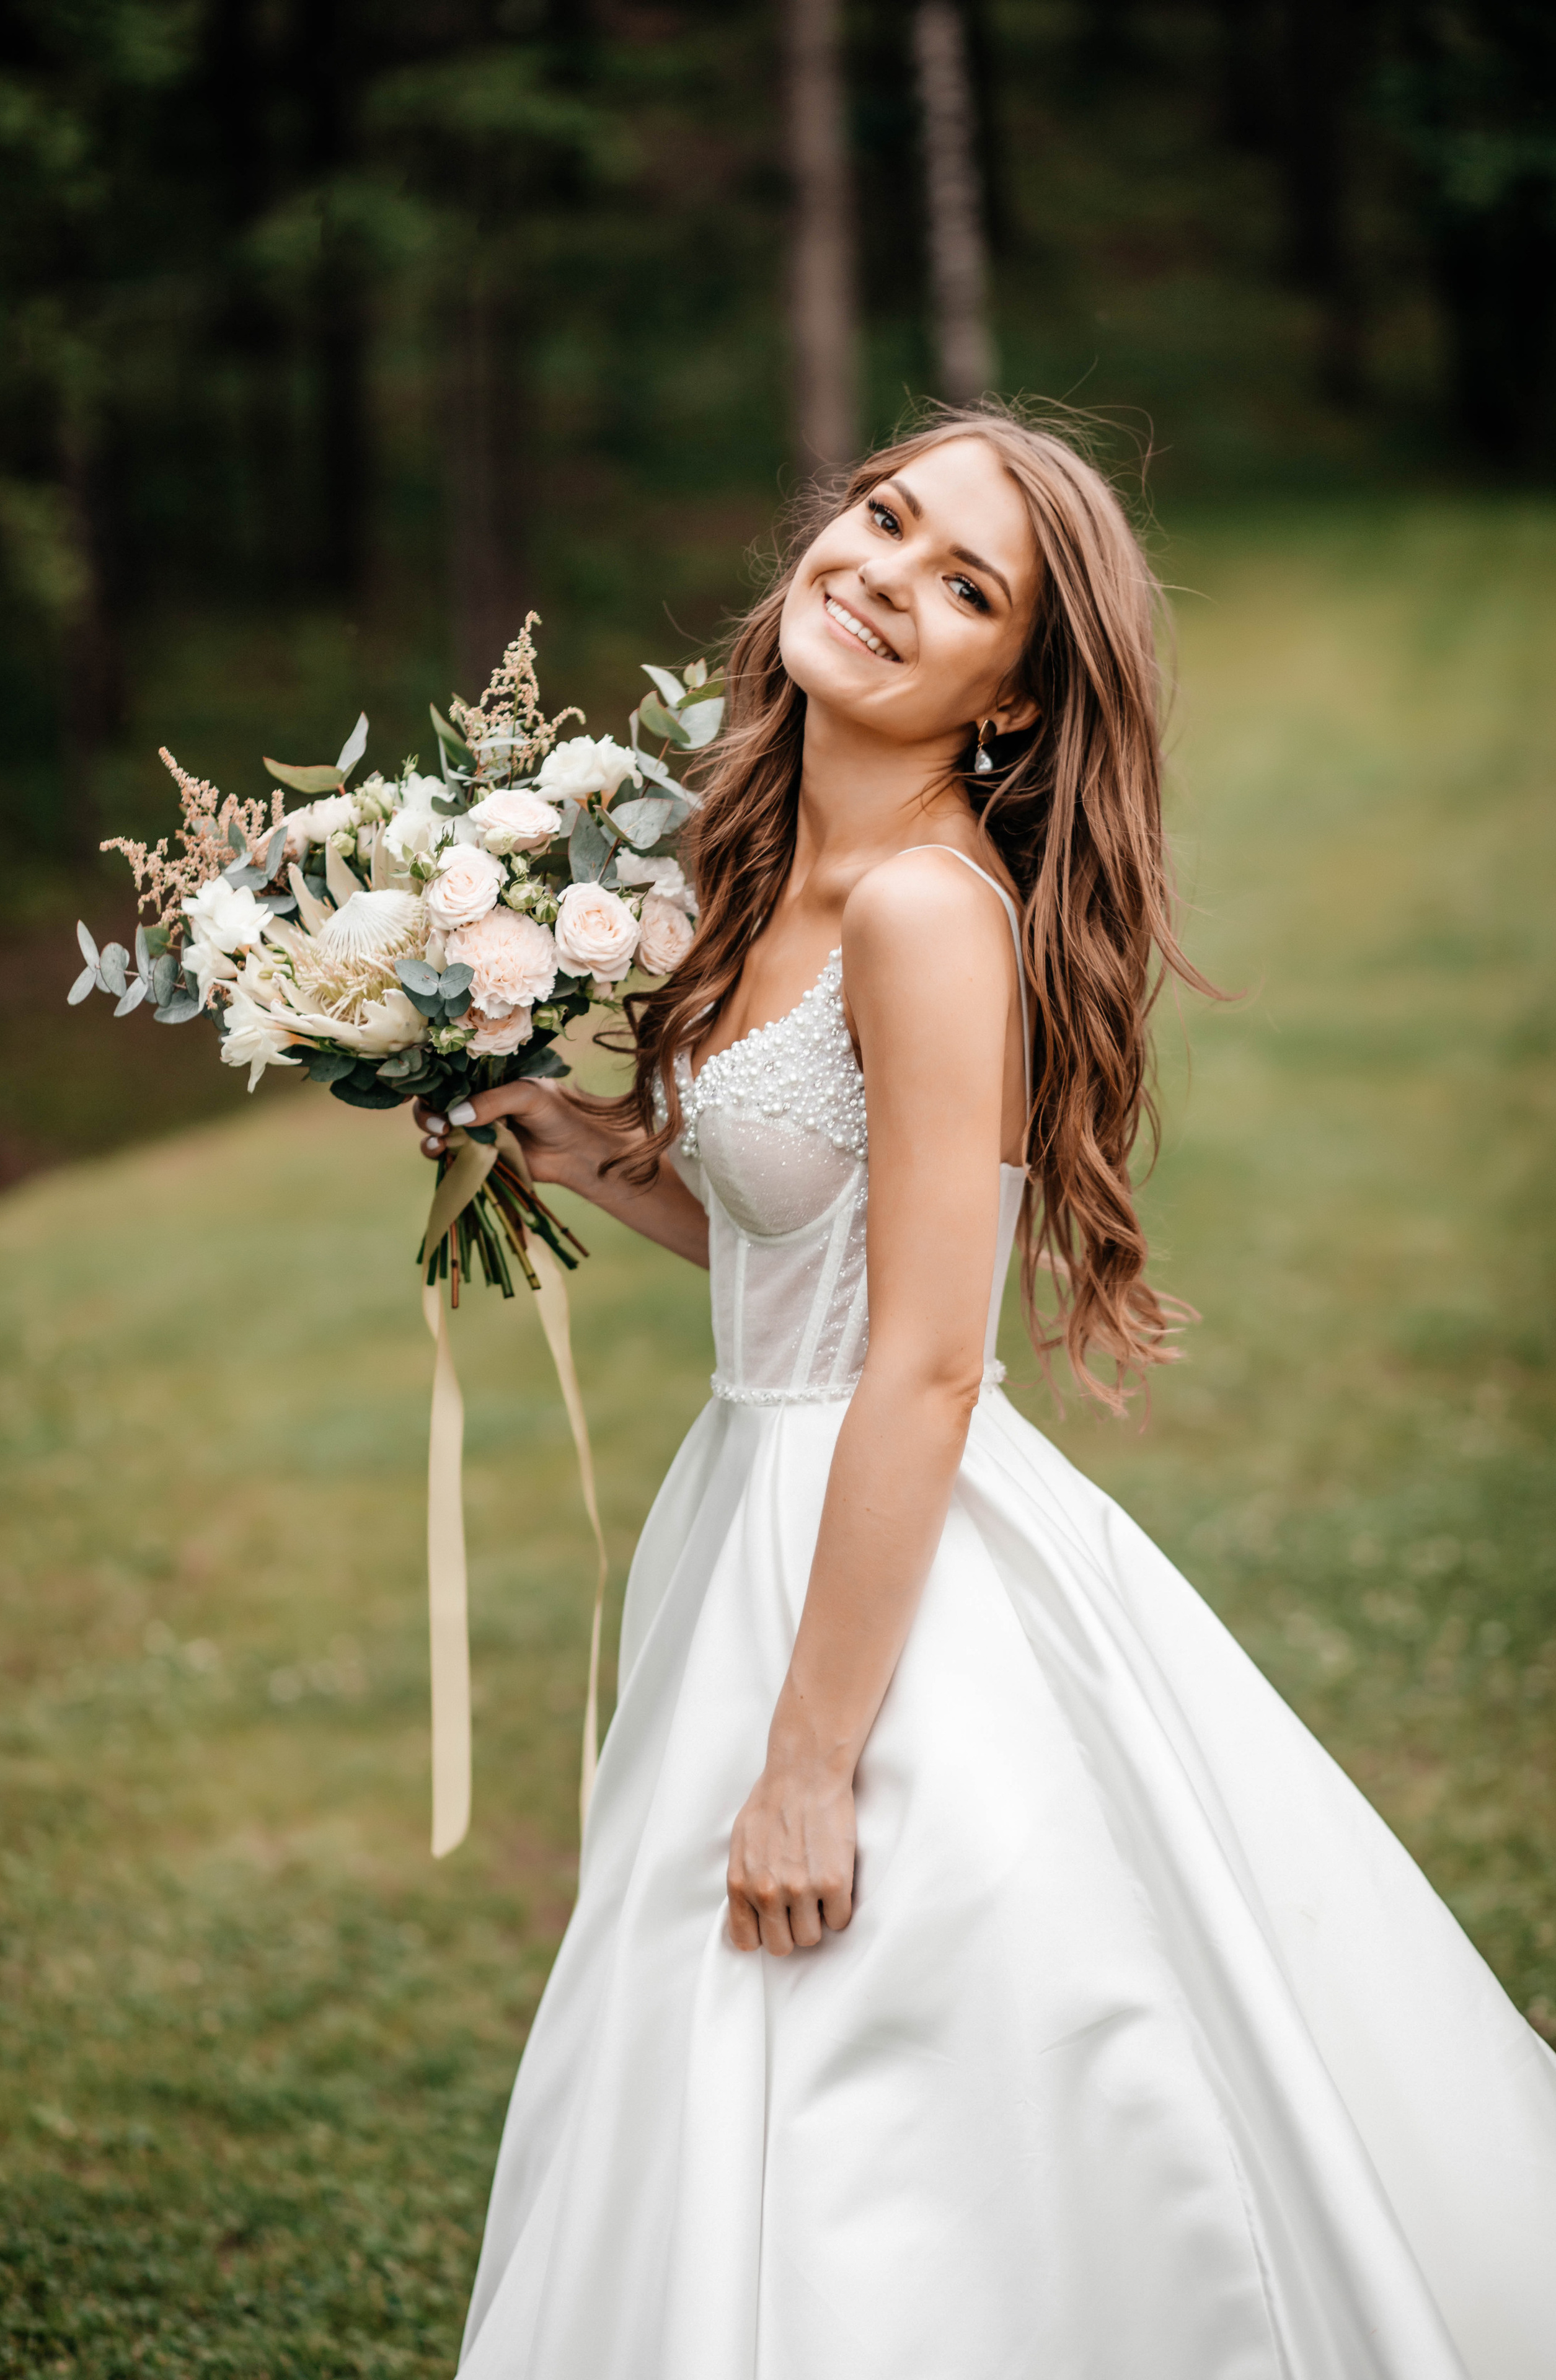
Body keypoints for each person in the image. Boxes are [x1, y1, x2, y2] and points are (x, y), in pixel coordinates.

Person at [416, 406, 1556, 2379]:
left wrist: (807, 1758)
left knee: (896, 2063)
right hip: (759, 1492)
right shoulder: (772, 868)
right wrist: (556, 1135)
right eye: (881, 520)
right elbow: (786, 1246)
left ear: (1010, 699)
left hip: (871, 1544)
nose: (881, 579)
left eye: (964, 589)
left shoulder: (934, 915)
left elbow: (928, 1357)